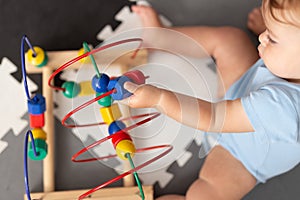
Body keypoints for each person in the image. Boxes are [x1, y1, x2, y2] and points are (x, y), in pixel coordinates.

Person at [124, 1, 300, 200]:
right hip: (244, 90)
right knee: (231, 40)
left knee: (205, 195)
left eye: (273, 39)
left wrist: (160, 98)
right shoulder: (292, 64)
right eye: (267, 30)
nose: (262, 37)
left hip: (240, 155)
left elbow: (214, 117)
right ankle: (161, 37)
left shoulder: (282, 109)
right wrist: (277, 30)